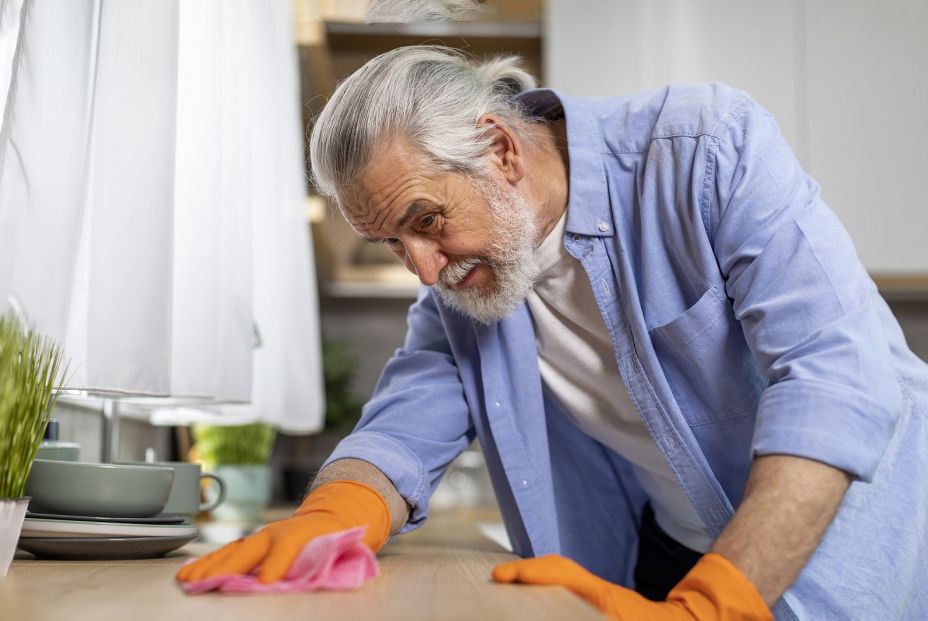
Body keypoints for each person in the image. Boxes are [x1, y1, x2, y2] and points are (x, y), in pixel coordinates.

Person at [176, 46, 928, 620]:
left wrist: (718, 602)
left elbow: (838, 374)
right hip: (676, 560)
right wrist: (329, 516)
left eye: (426, 222)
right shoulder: (469, 281)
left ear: (499, 149)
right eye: (392, 246)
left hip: (850, 549)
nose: (423, 268)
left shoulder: (704, 149)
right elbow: (405, 428)